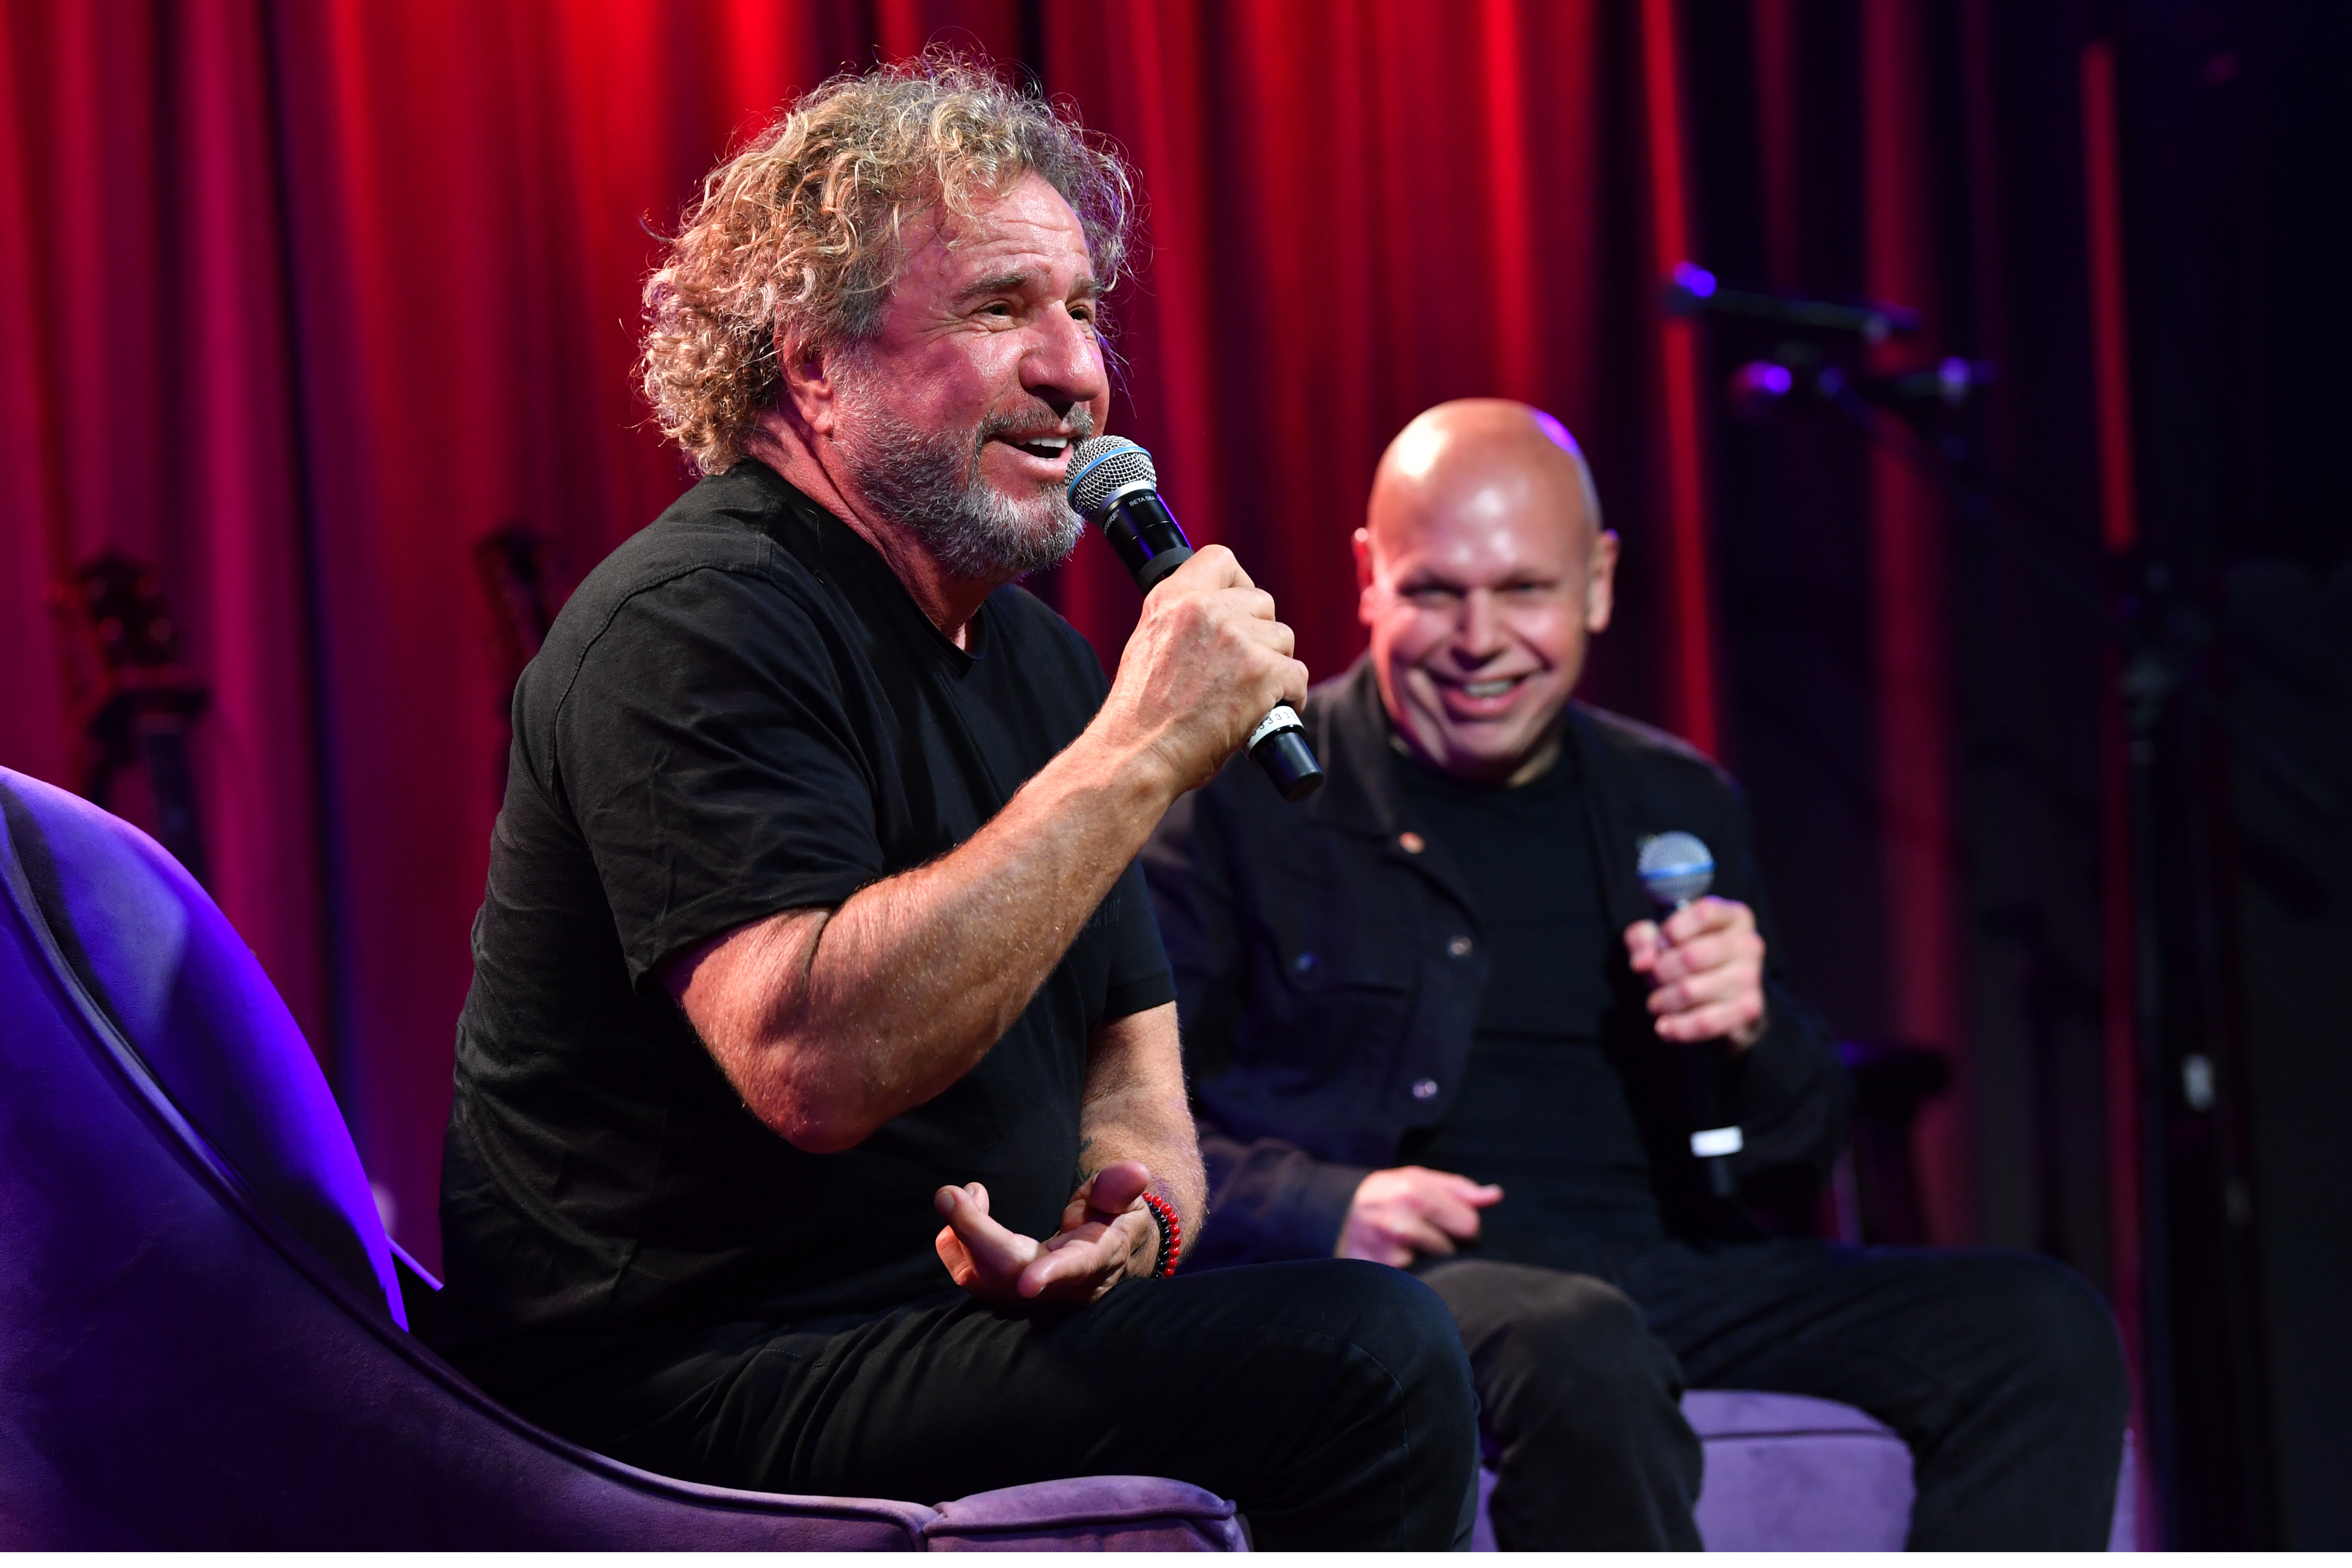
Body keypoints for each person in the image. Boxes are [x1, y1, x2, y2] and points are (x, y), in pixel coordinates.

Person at [434, 61, 1477, 1550]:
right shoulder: (694, 621)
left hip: (926, 1338)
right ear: (814, 365)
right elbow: (811, 1065)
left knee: (1397, 1329)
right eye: (999, 309)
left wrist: (1129, 1225)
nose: (1075, 369)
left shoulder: (1043, 664)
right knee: (1363, 1360)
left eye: (1085, 308)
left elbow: (1135, 1070)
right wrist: (1140, 748)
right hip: (671, 1380)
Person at [1142, 398, 2132, 1549]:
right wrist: (1327, 1205)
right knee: (1579, 1339)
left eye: (1524, 590)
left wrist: (1753, 1033)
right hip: (1424, 1284)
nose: (1479, 639)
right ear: (1370, 578)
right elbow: (1120, 1120)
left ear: (1597, 584)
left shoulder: (1675, 798)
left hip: (1666, 1264)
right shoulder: (1240, 797)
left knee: (2042, 1325)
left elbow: (1796, 1152)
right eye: (1436, 592)